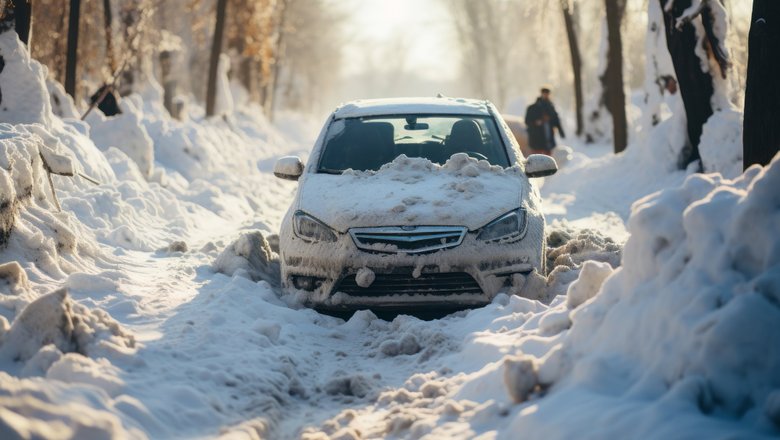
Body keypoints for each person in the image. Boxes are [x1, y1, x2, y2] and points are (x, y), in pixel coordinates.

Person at [524, 87, 565, 155]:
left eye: (547, 94)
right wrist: (537, 122)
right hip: (536, 140)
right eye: (544, 94)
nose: (546, 95)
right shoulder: (532, 108)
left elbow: (556, 120)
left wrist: (561, 131)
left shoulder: (551, 107)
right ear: (541, 94)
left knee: (548, 160)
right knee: (536, 159)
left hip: (548, 140)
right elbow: (527, 121)